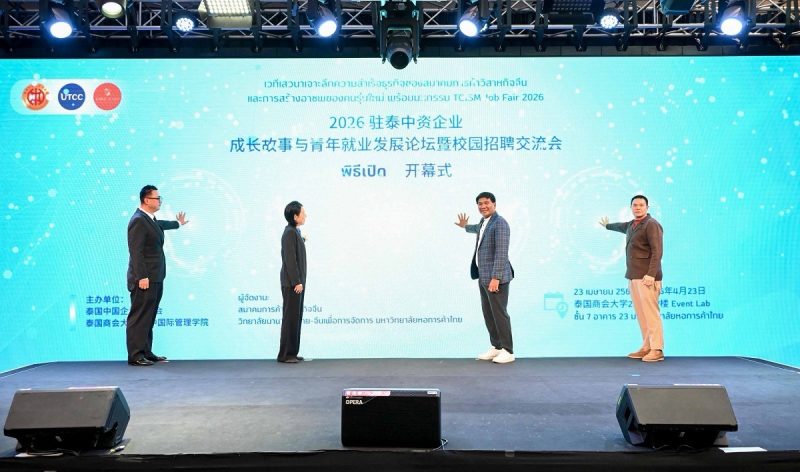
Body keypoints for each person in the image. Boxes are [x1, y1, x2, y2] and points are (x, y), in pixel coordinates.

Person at [126, 185, 188, 366]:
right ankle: (135, 355)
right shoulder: (138, 220)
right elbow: (136, 251)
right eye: (157, 198)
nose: (160, 201)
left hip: (156, 277)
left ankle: (146, 352)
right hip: (144, 279)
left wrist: (178, 223)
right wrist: (142, 276)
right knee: (140, 316)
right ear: (147, 200)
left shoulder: (150, 219)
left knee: (149, 316)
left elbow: (162, 225)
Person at [599, 194, 664, 362]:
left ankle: (657, 349)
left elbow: (657, 252)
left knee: (651, 314)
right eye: (635, 205)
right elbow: (620, 226)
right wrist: (607, 226)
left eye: (641, 205)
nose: (638, 207)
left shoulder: (651, 224)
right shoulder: (631, 225)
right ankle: (647, 346)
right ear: (631, 208)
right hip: (634, 276)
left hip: (647, 277)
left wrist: (651, 274)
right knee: (642, 314)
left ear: (647, 207)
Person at [455, 192, 515, 364]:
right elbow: (477, 229)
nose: (483, 206)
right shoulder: (484, 222)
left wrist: (496, 277)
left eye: (486, 203)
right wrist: (465, 226)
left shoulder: (500, 223)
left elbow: (501, 252)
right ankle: (496, 347)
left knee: (499, 314)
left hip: (496, 279)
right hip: (483, 277)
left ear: (494, 204)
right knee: (489, 314)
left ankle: (508, 351)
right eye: (480, 204)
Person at [277, 201, 307, 363]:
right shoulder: (289, 233)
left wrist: (302, 240)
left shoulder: (294, 231)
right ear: (295, 216)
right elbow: (290, 260)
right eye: (303, 213)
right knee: (290, 318)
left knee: (296, 317)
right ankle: (286, 354)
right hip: (292, 284)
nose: (305, 216)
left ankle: (293, 352)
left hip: (296, 283)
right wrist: (296, 282)